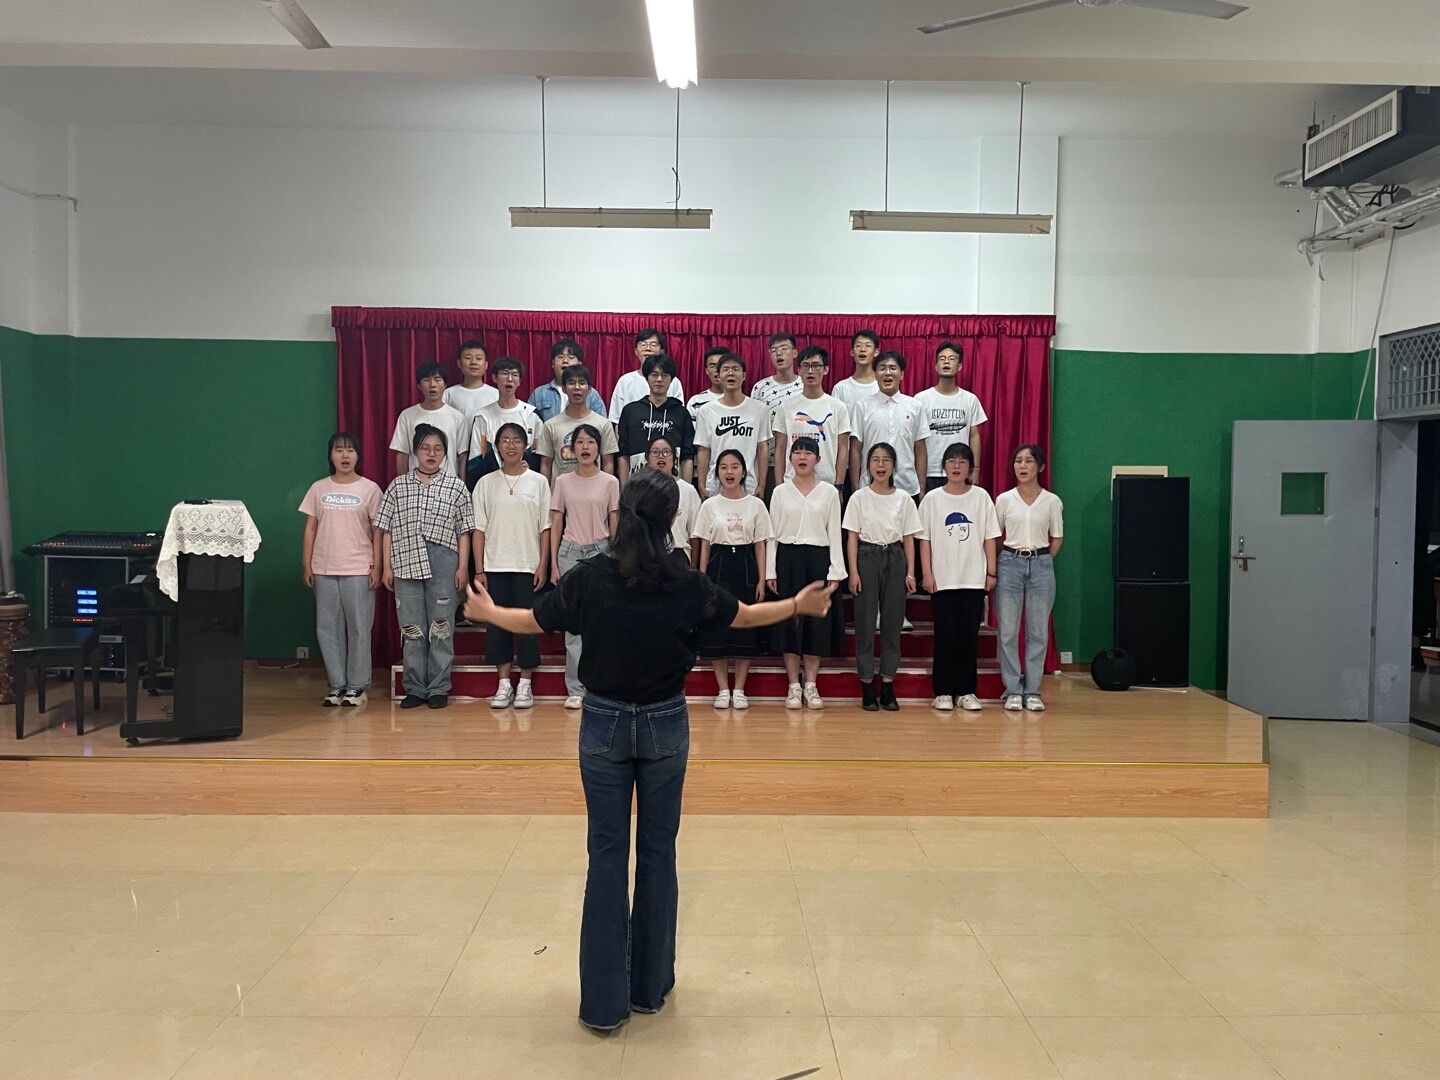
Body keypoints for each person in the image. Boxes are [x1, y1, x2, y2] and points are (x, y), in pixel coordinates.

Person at [462, 469, 836, 1033]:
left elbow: (535, 621)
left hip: (603, 724)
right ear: (671, 521)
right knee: (659, 854)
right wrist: (797, 605)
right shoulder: (685, 582)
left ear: (623, 517)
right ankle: (650, 989)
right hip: (664, 723)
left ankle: (603, 1005)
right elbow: (746, 615)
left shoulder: (590, 577)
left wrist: (489, 613)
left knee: (606, 855)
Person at [375, 425, 475, 709]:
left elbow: (464, 531)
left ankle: (439, 688)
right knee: (412, 628)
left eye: (438, 449)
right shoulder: (398, 486)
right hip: (405, 561)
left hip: (443, 561)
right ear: (415, 452)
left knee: (441, 627)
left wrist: (462, 568)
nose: (431, 454)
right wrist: (387, 567)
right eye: (425, 448)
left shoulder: (456, 487)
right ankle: (415, 688)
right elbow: (385, 529)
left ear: (445, 454)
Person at [472, 422, 551, 710]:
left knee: (527, 625)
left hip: (528, 565)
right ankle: (504, 683)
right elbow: (478, 529)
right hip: (495, 565)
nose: (511, 445)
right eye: (505, 440)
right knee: (497, 625)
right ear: (497, 447)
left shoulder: (539, 482)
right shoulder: (485, 483)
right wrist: (479, 570)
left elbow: (545, 528)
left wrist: (543, 564)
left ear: (525, 446)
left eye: (517, 440)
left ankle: (525, 684)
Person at [299, 432, 381, 707]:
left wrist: (377, 566)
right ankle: (337, 685)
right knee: (327, 628)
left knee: (359, 628)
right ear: (330, 455)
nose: (345, 455)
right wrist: (307, 563)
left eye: (350, 450)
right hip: (324, 567)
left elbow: (378, 532)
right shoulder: (318, 488)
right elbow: (310, 528)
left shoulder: (370, 489)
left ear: (358, 455)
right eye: (339, 450)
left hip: (358, 567)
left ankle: (357, 686)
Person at [767, 436, 847, 709]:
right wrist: (770, 571)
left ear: (818, 459)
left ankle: (811, 685)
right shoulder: (780, 492)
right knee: (789, 623)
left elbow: (834, 533)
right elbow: (772, 535)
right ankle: (793, 686)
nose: (802, 457)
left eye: (808, 453)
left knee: (816, 625)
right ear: (790, 458)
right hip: (787, 561)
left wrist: (836, 572)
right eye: (797, 452)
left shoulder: (829, 493)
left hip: (818, 561)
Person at [919, 442, 999, 713]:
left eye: (962, 461)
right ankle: (942, 692)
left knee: (968, 637)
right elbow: (925, 540)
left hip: (973, 579)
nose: (956, 466)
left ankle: (966, 691)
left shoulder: (981, 497)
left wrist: (990, 572)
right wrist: (927, 573)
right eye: (951, 461)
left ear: (970, 467)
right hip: (942, 580)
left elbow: (990, 537)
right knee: (945, 636)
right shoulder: (932, 499)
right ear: (943, 466)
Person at [693, 449, 774, 709]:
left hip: (746, 567)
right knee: (717, 628)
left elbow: (760, 544)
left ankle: (739, 689)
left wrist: (761, 579)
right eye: (724, 467)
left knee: (744, 628)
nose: (729, 472)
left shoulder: (756, 505)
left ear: (743, 471)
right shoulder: (709, 505)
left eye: (735, 466)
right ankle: (722, 689)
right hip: (718, 567)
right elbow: (704, 545)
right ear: (717, 473)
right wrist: (702, 579)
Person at [844, 442, 922, 711]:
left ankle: (888, 684)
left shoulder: (904, 499)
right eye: (875, 460)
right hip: (867, 556)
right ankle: (867, 685)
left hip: (895, 557)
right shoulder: (859, 498)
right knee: (865, 624)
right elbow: (852, 537)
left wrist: (911, 572)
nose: (880, 465)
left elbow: (909, 538)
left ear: (893, 466)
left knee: (892, 624)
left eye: (886, 460)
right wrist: (853, 572)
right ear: (868, 465)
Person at [549, 424, 620, 710]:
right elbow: (556, 522)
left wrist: (616, 559)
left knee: (604, 622)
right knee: (574, 626)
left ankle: (602, 686)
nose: (585, 447)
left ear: (599, 448)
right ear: (571, 449)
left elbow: (614, 522)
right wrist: (553, 563)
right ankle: (576, 689)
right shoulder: (563, 481)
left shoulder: (610, 482)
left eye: (591, 442)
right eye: (580, 442)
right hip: (570, 552)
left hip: (601, 552)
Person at [994, 444, 1064, 712]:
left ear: (1040, 467)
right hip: (1009, 564)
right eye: (1018, 461)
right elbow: (995, 536)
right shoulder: (1004, 500)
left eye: (1028, 461)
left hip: (1041, 565)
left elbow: (1056, 538)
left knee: (1038, 632)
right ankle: (1013, 688)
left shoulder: (1052, 501)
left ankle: (1032, 690)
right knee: (1008, 631)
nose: (1022, 466)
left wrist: (1041, 559)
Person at [850, 350, 929, 500]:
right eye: (882, 368)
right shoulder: (862, 406)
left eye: (893, 368)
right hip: (869, 486)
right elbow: (855, 448)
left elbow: (920, 449)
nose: (887, 373)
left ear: (902, 374)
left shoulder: (915, 406)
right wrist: (855, 488)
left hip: (907, 486)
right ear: (875, 374)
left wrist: (922, 487)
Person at [773, 345, 851, 491]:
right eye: (806, 366)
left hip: (826, 484)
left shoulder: (838, 407)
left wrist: (839, 485)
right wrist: (779, 486)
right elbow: (780, 449)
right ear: (798, 370)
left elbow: (843, 448)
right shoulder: (786, 407)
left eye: (816, 366)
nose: (810, 371)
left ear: (826, 369)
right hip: (792, 484)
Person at [693, 352, 770, 499]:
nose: (730, 373)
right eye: (725, 369)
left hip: (749, 485)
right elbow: (703, 450)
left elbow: (762, 448)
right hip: (715, 485)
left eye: (735, 369)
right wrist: (701, 484)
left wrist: (762, 484)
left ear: (744, 375)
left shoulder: (759, 409)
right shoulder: (706, 411)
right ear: (719, 375)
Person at [917, 341, 987, 491]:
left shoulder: (970, 399)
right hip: (930, 471)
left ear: (960, 366)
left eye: (952, 359)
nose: (946, 362)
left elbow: (974, 435)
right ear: (936, 367)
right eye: (942, 359)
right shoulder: (921, 399)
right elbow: (917, 439)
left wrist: (975, 469)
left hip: (961, 470)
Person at [617, 354, 695, 485]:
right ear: (646, 377)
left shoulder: (681, 413)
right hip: (637, 485)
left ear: (672, 379)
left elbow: (687, 456)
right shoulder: (631, 411)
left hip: (672, 485)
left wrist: (686, 489)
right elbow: (623, 455)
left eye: (664, 375)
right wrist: (624, 489)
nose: (659, 379)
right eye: (654, 375)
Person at [466, 356, 542, 488]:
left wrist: (530, 466)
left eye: (515, 375)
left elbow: (540, 455)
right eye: (505, 373)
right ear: (494, 378)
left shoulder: (531, 414)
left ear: (520, 381)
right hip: (492, 485)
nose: (510, 379)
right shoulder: (483, 416)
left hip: (525, 484)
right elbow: (475, 457)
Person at [537, 365, 619, 483]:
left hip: (594, 490)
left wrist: (606, 489)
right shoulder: (550, 425)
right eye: (571, 383)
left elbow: (608, 462)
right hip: (561, 492)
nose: (577, 387)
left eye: (582, 383)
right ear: (564, 388)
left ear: (589, 389)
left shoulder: (603, 424)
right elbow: (546, 464)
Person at [390, 361, 466, 478]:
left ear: (445, 385)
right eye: (426, 380)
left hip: (449, 483)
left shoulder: (457, 417)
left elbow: (462, 455)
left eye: (437, 380)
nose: (432, 385)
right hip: (415, 482)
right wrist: (403, 483)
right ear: (419, 386)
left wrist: (462, 483)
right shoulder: (407, 415)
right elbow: (402, 454)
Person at [641, 435, 702, 564]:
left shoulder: (688, 491)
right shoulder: (639, 489)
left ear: (674, 458)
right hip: (647, 555)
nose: (661, 456)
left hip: (678, 554)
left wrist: (693, 568)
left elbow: (694, 535)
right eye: (655, 452)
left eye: (666, 452)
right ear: (647, 458)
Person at [608, 328, 683, 423]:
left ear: (662, 351)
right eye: (643, 344)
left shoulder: (673, 381)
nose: (647, 348)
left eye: (653, 345)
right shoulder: (625, 381)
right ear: (636, 351)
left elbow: (679, 416)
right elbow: (616, 420)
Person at [443, 340, 499, 465]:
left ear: (486, 365)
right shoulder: (448, 394)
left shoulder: (496, 394)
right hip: (454, 454)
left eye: (478, 358)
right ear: (459, 363)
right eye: (468, 358)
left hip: (486, 456)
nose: (473, 362)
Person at [530, 339, 606, 423]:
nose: (565, 361)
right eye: (560, 357)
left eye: (571, 357)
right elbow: (531, 425)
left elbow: (601, 424)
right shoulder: (539, 394)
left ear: (579, 364)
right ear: (552, 363)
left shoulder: (591, 394)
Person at [832, 329, 881, 415]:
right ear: (852, 352)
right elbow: (835, 419)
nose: (862, 349)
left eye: (868, 346)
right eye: (858, 346)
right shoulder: (841, 388)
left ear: (876, 352)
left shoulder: (882, 386)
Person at [685, 346, 728, 422]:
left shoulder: (739, 401)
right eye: (712, 366)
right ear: (706, 371)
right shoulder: (695, 402)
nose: (717, 369)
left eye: (721, 365)